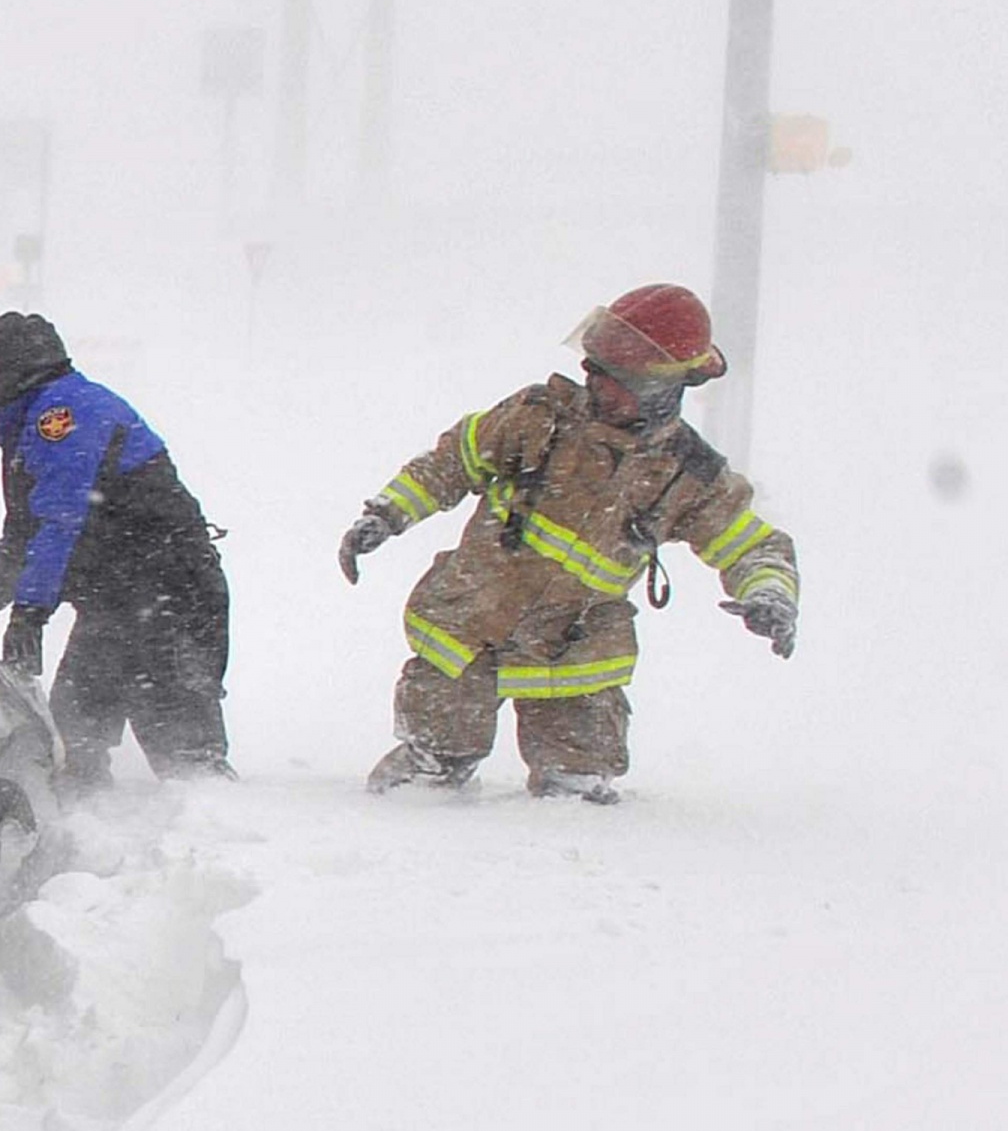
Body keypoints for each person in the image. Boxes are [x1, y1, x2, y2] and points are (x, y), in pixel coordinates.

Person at [336, 282, 795, 804]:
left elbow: (751, 545)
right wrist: (386, 514)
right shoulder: (538, 416)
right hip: (472, 620)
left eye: (614, 376)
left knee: (577, 795)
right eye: (594, 365)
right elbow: (451, 463)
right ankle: (431, 783)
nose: (592, 379)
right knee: (429, 771)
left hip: (576, 649)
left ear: (663, 388)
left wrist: (770, 594)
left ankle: (566, 853)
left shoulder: (688, 475)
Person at [0, 312, 233, 788]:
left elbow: (59, 521)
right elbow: (20, 538)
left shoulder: (61, 418)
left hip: (166, 600)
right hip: (125, 604)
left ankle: (218, 844)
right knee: (75, 737)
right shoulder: (39, 424)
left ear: (7, 373)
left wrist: (29, 613)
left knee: (184, 752)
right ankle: (95, 838)